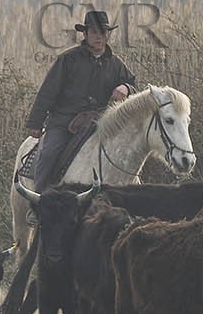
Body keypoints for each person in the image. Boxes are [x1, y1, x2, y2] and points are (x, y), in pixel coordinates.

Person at [26, 10, 137, 190]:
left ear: (107, 35)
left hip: (98, 124)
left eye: (103, 33)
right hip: (63, 122)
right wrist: (35, 123)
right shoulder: (68, 59)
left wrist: (126, 87)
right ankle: (39, 201)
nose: (98, 37)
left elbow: (133, 84)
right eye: (94, 32)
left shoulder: (115, 64)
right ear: (85, 34)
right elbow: (48, 92)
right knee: (48, 155)